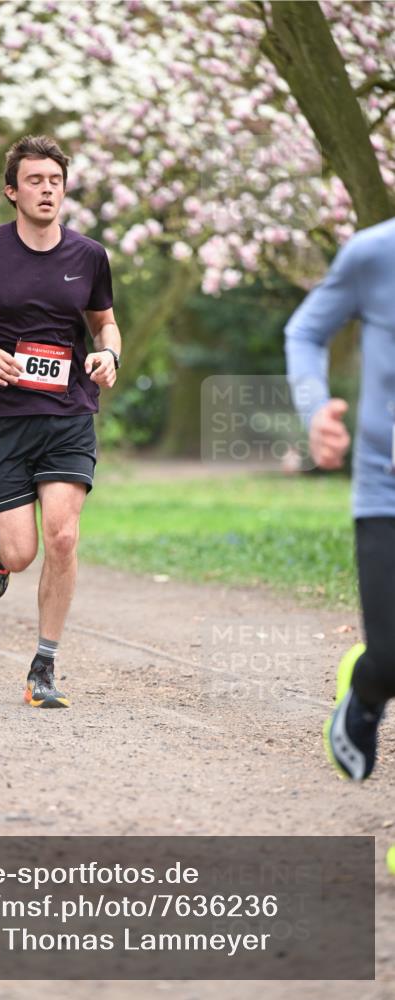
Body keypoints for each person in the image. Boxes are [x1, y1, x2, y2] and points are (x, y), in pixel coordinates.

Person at [0, 134, 122, 708]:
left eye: (55, 182)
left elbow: (105, 324)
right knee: (21, 555)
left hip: (67, 413)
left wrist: (109, 355)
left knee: (62, 537)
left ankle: (43, 666)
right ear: (12, 191)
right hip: (1, 419)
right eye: (35, 180)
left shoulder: (88, 256)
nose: (47, 190)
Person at [285, 216, 395, 781]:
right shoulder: (375, 254)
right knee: (393, 656)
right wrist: (315, 411)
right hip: (387, 490)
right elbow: (305, 332)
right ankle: (369, 684)